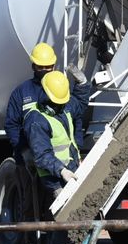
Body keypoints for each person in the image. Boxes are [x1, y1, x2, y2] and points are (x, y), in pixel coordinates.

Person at [23, 67, 90, 203]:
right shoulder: (36, 120)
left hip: (71, 172)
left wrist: (82, 85)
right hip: (54, 180)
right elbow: (41, 155)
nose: (60, 105)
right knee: (64, 216)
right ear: (46, 95)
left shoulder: (63, 108)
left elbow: (79, 105)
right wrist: (62, 171)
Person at [5, 43, 58, 164]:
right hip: (27, 158)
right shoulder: (21, 92)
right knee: (26, 182)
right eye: (40, 67)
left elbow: (74, 120)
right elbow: (11, 125)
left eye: (48, 66)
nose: (44, 70)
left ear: (54, 66)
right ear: (33, 66)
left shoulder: (61, 88)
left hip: (57, 158)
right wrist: (23, 150)